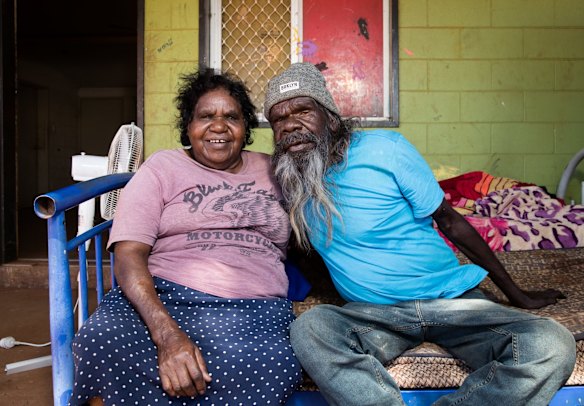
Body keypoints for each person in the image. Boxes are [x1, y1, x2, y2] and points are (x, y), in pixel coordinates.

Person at [265, 62, 576, 406]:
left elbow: (451, 221)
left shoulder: (386, 149)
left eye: (302, 110)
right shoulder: (288, 180)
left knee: (552, 344)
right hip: (375, 315)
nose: (290, 124)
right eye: (278, 119)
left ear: (330, 116)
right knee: (310, 329)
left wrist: (518, 294)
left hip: (452, 301)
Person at [70, 68, 302, 406]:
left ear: (246, 128)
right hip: (165, 295)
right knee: (99, 339)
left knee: (276, 364)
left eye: (231, 117)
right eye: (205, 116)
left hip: (252, 305)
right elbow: (129, 254)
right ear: (189, 126)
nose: (218, 127)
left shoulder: (274, 169)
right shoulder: (161, 168)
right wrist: (166, 335)